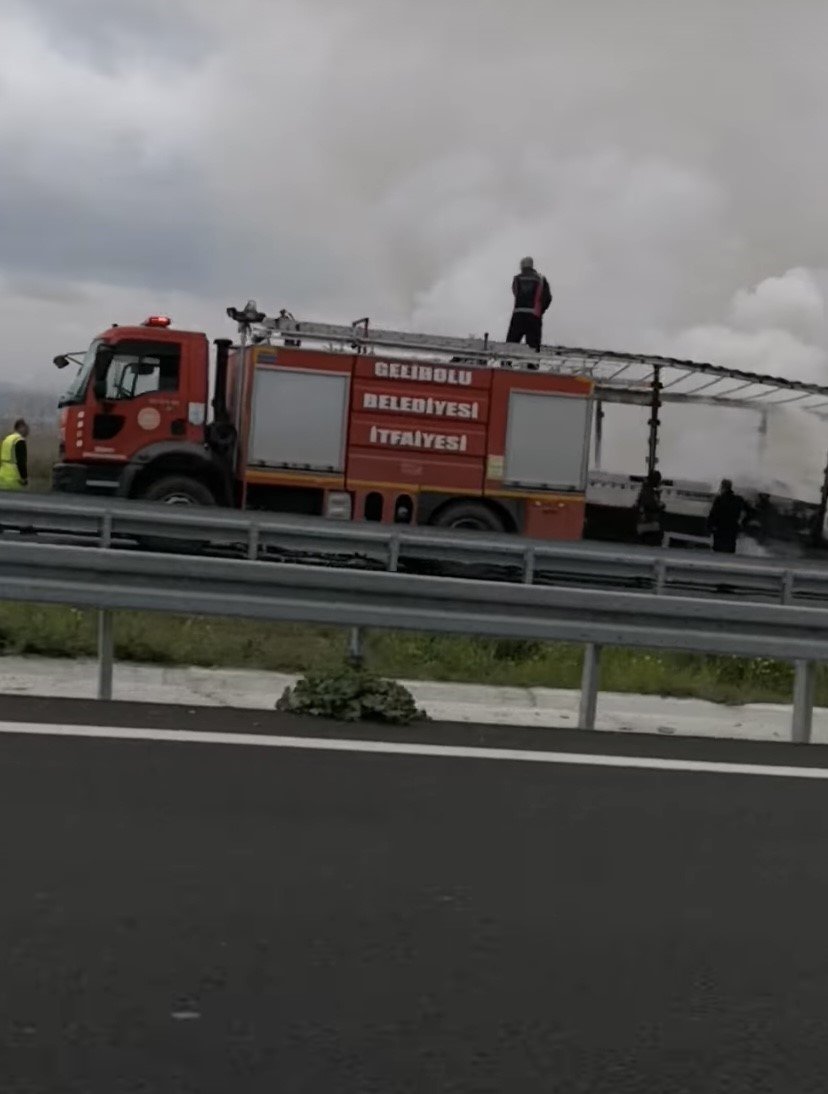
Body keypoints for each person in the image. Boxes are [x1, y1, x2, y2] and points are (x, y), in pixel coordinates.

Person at [506, 257, 552, 353]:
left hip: (518, 315)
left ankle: (506, 365)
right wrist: (540, 310)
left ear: (522, 266)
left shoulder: (517, 279)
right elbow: (548, 298)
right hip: (534, 317)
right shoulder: (541, 279)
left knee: (511, 345)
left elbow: (515, 292)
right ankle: (531, 366)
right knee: (533, 348)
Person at [707, 478, 747, 553]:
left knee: (718, 550)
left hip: (720, 529)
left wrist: (709, 527)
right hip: (732, 529)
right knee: (730, 551)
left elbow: (713, 514)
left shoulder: (719, 499)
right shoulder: (738, 500)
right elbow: (747, 511)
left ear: (723, 487)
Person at [635, 470, 664, 547]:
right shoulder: (648, 492)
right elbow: (653, 506)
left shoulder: (646, 490)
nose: (659, 483)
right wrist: (660, 505)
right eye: (658, 480)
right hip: (647, 525)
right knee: (660, 529)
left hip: (644, 524)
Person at [0, 419, 29, 491]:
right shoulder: (19, 440)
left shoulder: (7, 439)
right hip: (14, 478)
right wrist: (24, 478)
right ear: (21, 427)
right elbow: (21, 461)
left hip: (2, 476)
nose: (28, 431)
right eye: (26, 428)